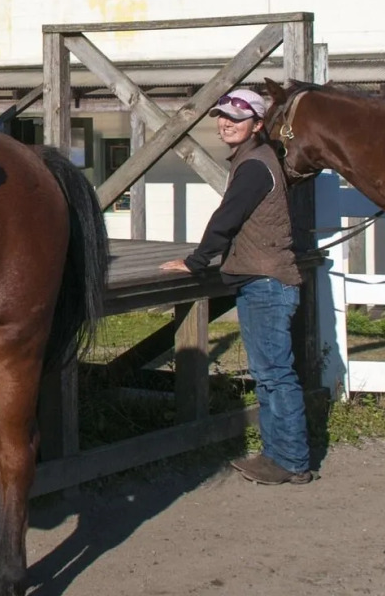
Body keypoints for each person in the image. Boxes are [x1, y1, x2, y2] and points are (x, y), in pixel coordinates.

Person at [158, 87, 314, 485]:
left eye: (236, 118)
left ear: (258, 125)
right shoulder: (256, 160)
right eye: (222, 116)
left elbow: (226, 218)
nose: (225, 123)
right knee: (273, 373)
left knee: (274, 374)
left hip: (265, 282)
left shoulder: (255, 166)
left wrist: (195, 261)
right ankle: (284, 457)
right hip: (264, 280)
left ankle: (290, 460)